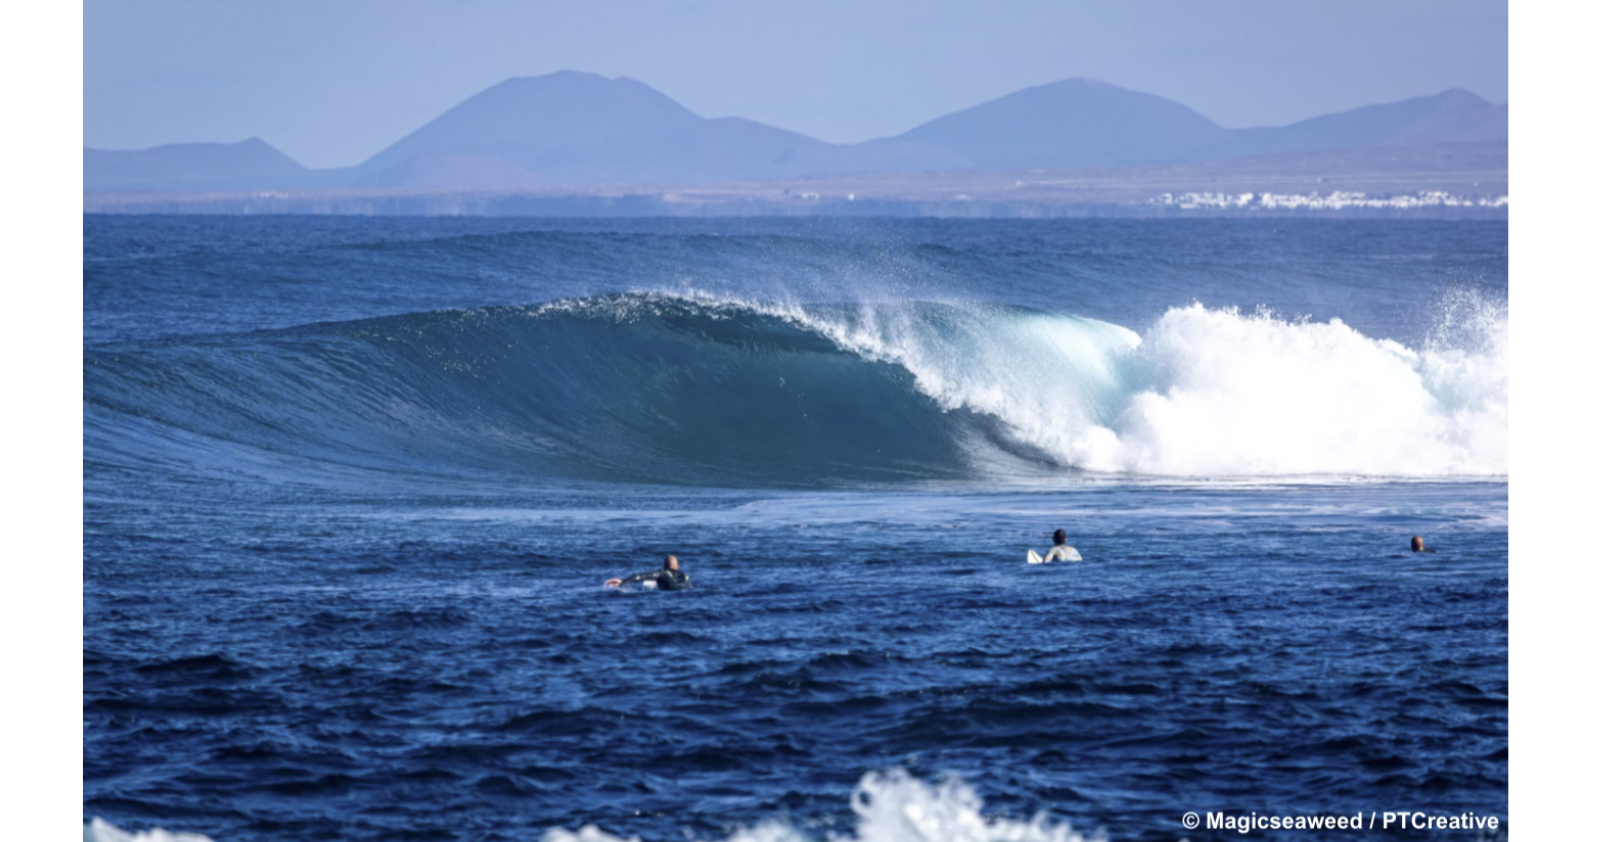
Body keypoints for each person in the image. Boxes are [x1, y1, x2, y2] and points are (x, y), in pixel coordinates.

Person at [605, 554, 693, 590]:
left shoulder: (663, 573)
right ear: (678, 567)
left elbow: (640, 576)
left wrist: (623, 581)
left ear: (664, 567)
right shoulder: (686, 577)